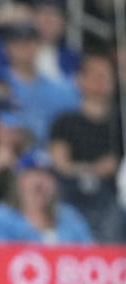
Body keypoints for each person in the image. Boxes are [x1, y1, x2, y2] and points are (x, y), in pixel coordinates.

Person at [50, 55, 123, 242]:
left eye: (106, 76)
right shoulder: (65, 121)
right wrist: (94, 169)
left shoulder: (121, 123)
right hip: (72, 196)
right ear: (81, 80)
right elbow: (60, 165)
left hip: (114, 200)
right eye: (94, 75)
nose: (100, 81)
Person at [0, 149, 92, 243]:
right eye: (33, 174)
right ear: (19, 181)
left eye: (47, 175)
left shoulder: (70, 218)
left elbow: (90, 256)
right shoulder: (0, 217)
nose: (40, 181)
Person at [1, 22, 79, 143]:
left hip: (50, 155)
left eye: (29, 41)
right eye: (18, 42)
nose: (24, 47)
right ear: (7, 49)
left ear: (39, 46)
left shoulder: (61, 90)